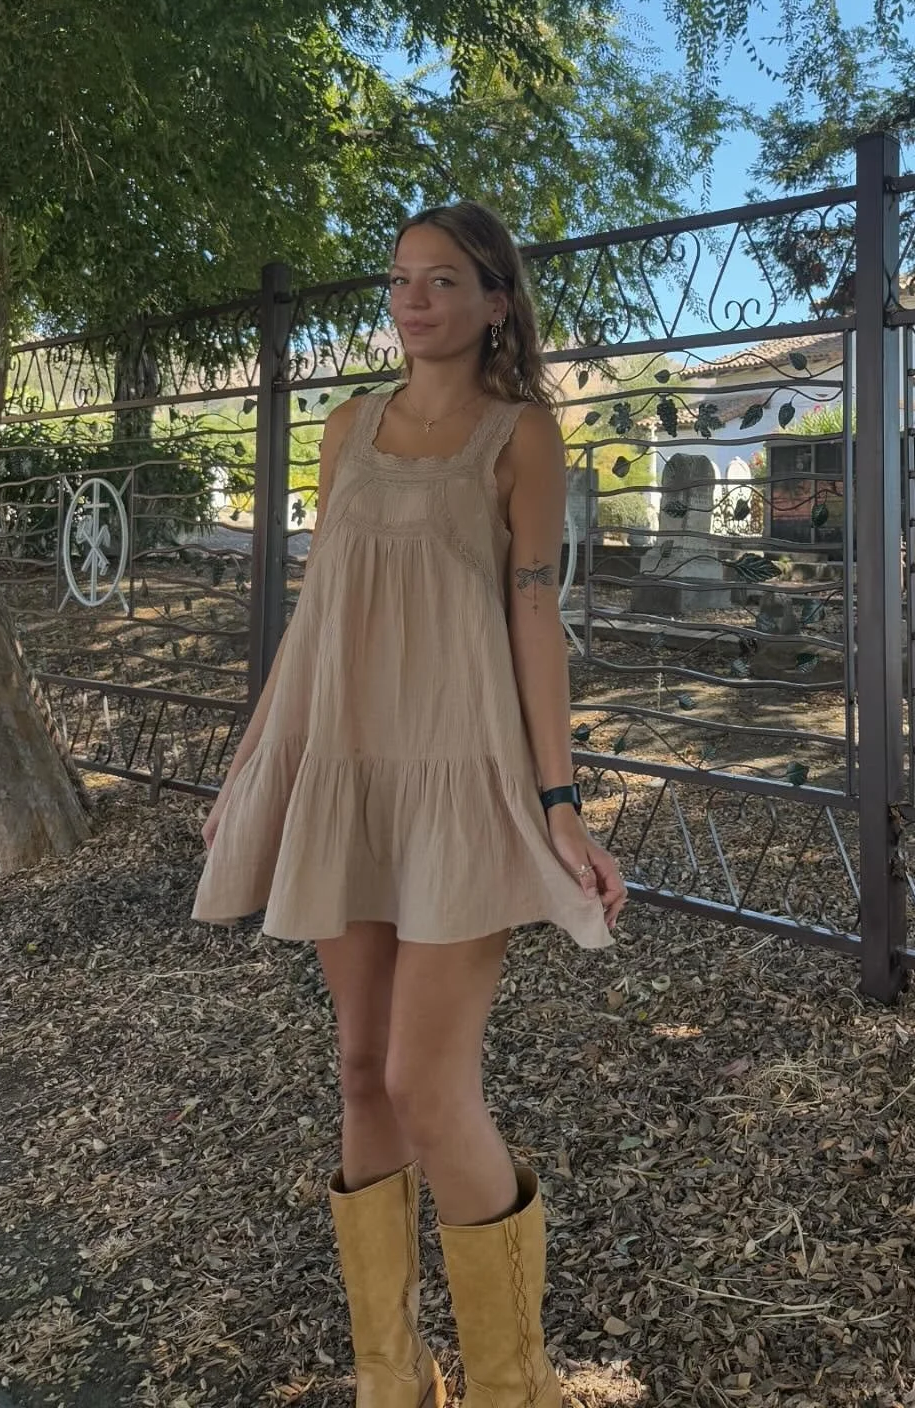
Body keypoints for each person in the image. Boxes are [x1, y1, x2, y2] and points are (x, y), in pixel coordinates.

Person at [193, 201, 627, 1408]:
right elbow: (318, 612)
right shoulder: (344, 430)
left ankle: (511, 1386)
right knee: (357, 1068)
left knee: (432, 1087)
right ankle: (391, 1378)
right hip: (347, 770)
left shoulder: (520, 437)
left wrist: (560, 801)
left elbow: (535, 616)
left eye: (444, 280)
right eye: (398, 280)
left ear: (497, 301)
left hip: (459, 779)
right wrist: (249, 770)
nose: (414, 300)